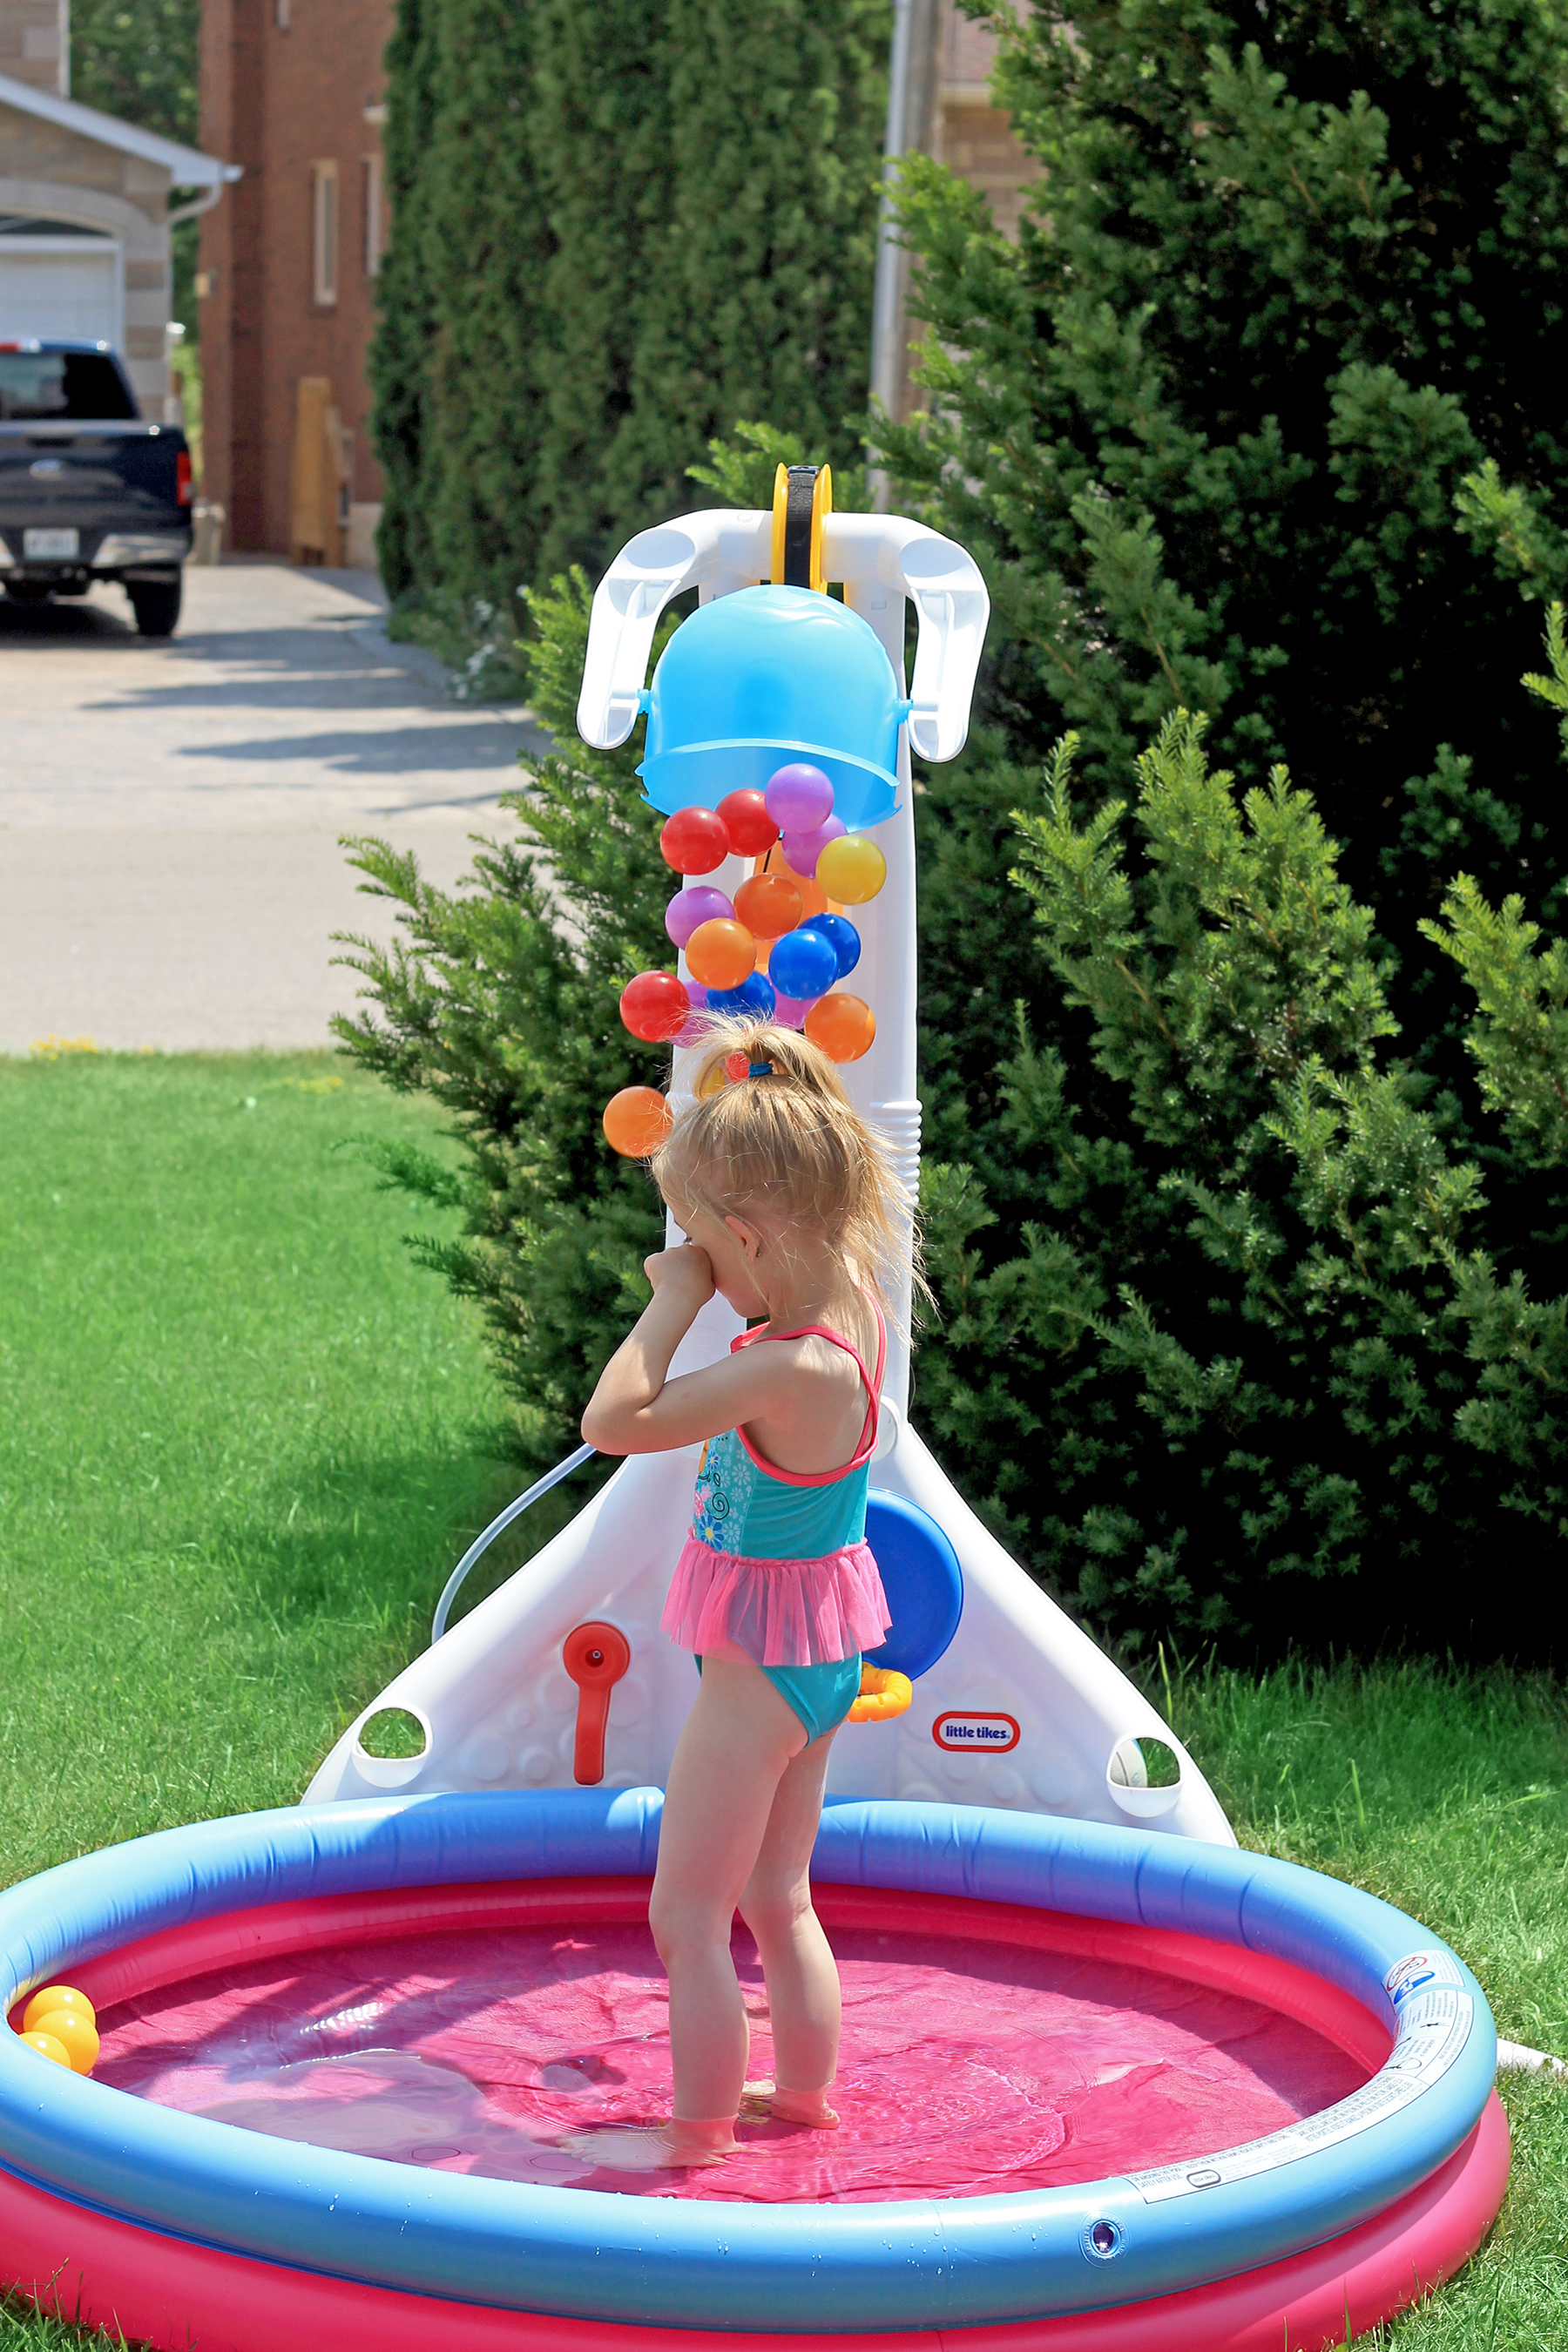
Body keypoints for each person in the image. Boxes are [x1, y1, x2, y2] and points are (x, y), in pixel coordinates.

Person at [578, 1020, 915, 2167]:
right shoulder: (850, 1313)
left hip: (759, 1672)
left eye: (700, 1242)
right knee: (781, 1895)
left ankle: (694, 2142)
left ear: (745, 1233)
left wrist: (669, 1303)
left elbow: (615, 1420)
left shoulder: (781, 1365)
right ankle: (805, 2100)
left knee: (687, 1918)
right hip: (819, 1661)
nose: (695, 1262)